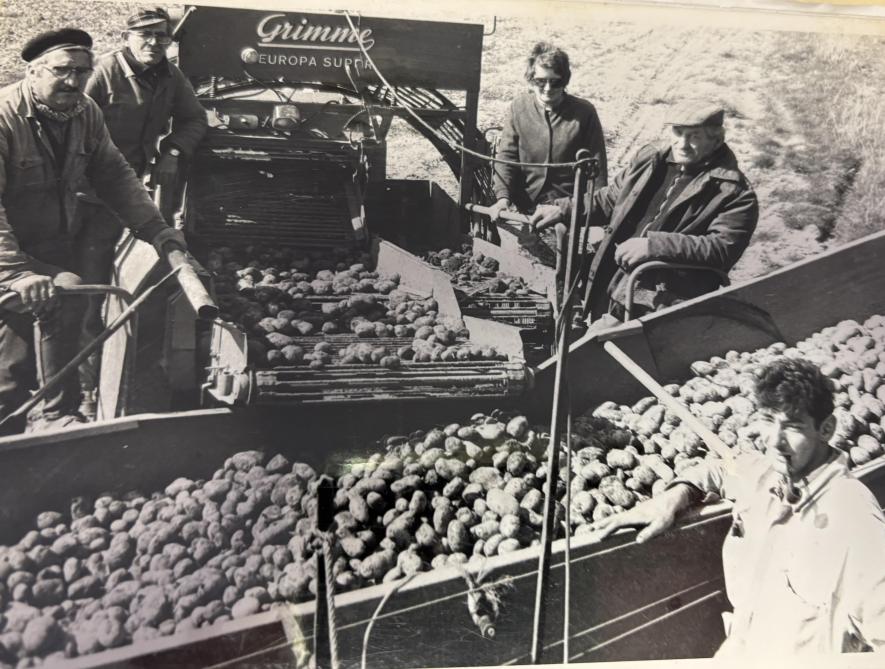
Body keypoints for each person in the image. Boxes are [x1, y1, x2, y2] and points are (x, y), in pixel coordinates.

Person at [589, 358, 885, 655]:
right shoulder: (767, 472)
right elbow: (719, 471)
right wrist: (674, 496)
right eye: (769, 420)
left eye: (793, 427)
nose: (775, 441)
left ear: (827, 428)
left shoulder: (854, 517)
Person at [0, 28, 188, 434]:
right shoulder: (4, 118)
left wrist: (156, 230)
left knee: (62, 301)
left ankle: (52, 415)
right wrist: (17, 273)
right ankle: (19, 423)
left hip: (45, 244)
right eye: (62, 71)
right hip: (5, 250)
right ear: (33, 71)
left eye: (82, 72)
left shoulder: (84, 113)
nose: (73, 82)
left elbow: (115, 175)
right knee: (16, 350)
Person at [76, 6, 208, 415]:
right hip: (85, 193)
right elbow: (72, 124)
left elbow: (195, 119)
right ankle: (83, 388)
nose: (153, 45)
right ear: (128, 37)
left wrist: (172, 148)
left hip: (129, 190)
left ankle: (113, 371)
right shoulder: (104, 72)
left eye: (161, 38)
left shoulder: (171, 76)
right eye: (145, 37)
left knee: (126, 274)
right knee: (87, 283)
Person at [530, 102, 758, 323]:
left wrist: (653, 245)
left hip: (659, 299)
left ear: (716, 140)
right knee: (595, 341)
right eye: (678, 132)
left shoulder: (734, 192)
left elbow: (722, 248)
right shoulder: (651, 159)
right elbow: (611, 199)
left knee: (612, 350)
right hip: (611, 279)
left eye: (695, 136)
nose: (682, 143)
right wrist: (564, 209)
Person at [489, 42, 607, 281]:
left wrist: (592, 216)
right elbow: (507, 157)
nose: (548, 88)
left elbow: (597, 170)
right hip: (526, 207)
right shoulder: (518, 108)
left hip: (566, 209)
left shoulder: (584, 113)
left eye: (556, 81)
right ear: (530, 78)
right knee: (523, 273)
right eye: (540, 81)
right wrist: (502, 198)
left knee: (570, 272)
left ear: (566, 80)